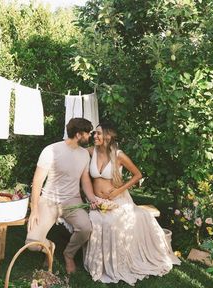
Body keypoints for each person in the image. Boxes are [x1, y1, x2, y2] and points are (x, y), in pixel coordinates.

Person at [84, 121, 181, 286]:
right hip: (96, 200)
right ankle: (99, 264)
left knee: (111, 222)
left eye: (98, 133)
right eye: (94, 133)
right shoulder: (90, 152)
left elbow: (137, 175)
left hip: (118, 200)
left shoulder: (118, 155)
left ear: (108, 136)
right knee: (96, 221)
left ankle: (116, 263)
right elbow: (75, 156)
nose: (95, 136)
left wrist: (118, 190)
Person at [26, 118, 97, 274]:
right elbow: (37, 181)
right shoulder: (51, 150)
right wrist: (35, 210)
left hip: (72, 201)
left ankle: (69, 254)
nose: (90, 136)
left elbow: (85, 180)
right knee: (32, 244)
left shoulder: (84, 154)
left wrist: (93, 199)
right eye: (88, 133)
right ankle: (50, 247)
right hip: (49, 201)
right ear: (79, 135)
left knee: (85, 228)